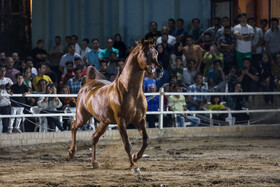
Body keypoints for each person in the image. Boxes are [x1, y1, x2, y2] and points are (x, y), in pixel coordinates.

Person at [0, 65, 13, 133]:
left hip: (6, 104)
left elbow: (13, 90)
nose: (2, 72)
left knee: (5, 123)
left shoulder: (8, 80)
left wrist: (9, 88)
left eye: (4, 71)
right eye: (1, 71)